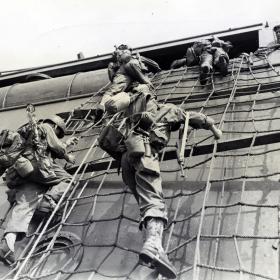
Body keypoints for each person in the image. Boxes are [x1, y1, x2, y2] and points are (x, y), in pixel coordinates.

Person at [99, 92, 222, 278]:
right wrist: (214, 128)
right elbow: (192, 117)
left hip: (126, 161)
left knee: (145, 206)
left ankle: (155, 252)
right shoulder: (167, 110)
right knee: (154, 203)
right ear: (153, 99)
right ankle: (154, 246)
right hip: (145, 155)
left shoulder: (131, 116)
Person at [0, 115, 78, 265]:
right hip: (39, 166)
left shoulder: (28, 132)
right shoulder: (47, 127)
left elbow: (45, 147)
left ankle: (7, 245)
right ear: (55, 126)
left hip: (23, 172)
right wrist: (67, 156)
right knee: (69, 180)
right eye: (58, 133)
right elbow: (56, 147)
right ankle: (48, 200)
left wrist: (67, 143)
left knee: (24, 206)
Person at [94, 44, 161, 121]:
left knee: (112, 91)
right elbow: (154, 64)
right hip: (134, 66)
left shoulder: (117, 61)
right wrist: (157, 69)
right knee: (146, 84)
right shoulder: (138, 57)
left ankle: (102, 105)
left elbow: (111, 76)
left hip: (122, 71)